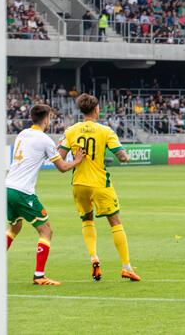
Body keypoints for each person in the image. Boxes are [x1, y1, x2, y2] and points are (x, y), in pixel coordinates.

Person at [59, 93, 141, 282]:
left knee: (87, 220)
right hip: (99, 184)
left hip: (79, 184)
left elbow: (60, 157)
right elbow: (122, 156)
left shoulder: (71, 130)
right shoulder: (105, 131)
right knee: (115, 222)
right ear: (97, 109)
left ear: (81, 110)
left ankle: (94, 257)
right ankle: (126, 266)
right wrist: (126, 157)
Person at [6, 104, 85, 286]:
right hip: (22, 192)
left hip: (8, 187)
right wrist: (78, 160)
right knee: (46, 230)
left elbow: (34, 154)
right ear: (47, 118)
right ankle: (39, 276)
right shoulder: (44, 139)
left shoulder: (22, 134)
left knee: (14, 228)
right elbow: (63, 168)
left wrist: (53, 150)